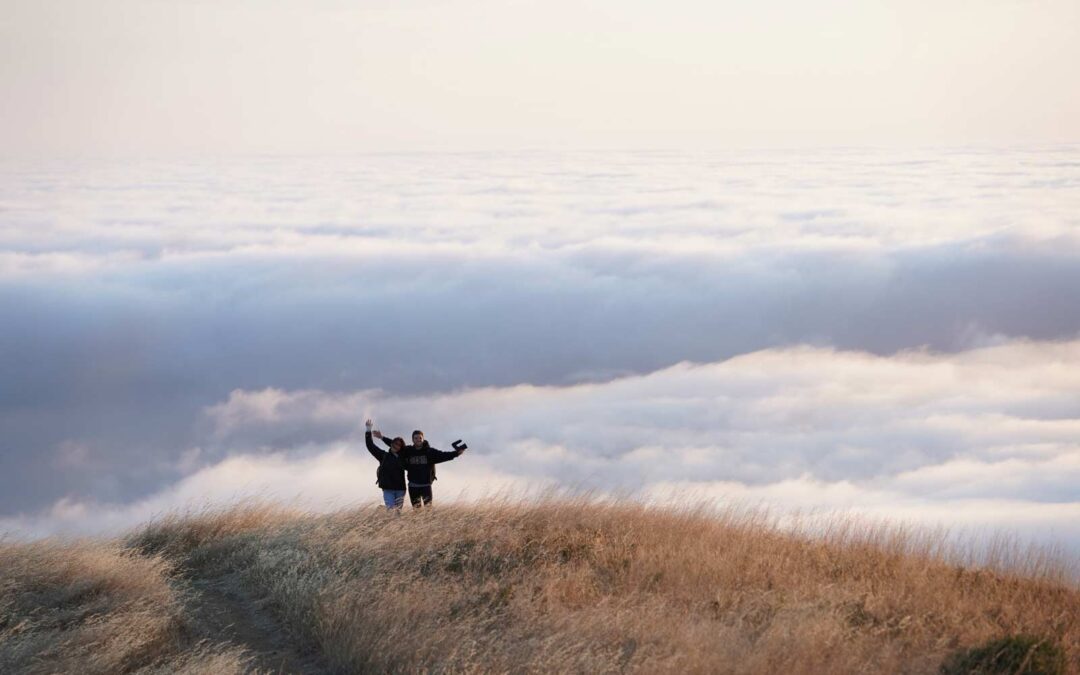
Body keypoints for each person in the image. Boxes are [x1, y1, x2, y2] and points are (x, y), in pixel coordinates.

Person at [377, 428, 466, 508]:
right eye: (416, 438)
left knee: (428, 509)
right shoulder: (408, 451)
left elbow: (443, 455)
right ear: (413, 440)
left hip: (426, 486)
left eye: (420, 438)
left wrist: (456, 453)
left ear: (423, 439)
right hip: (413, 486)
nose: (418, 439)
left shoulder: (429, 452)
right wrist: (382, 437)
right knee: (416, 510)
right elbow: (395, 446)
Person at [364, 419, 408, 510]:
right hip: (388, 489)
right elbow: (370, 446)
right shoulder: (383, 456)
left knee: (398, 512)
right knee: (391, 510)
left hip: (400, 489)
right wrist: (368, 430)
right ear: (391, 444)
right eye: (394, 444)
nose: (396, 446)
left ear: (401, 447)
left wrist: (382, 438)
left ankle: (395, 522)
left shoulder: (403, 457)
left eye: (399, 445)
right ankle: (383, 511)